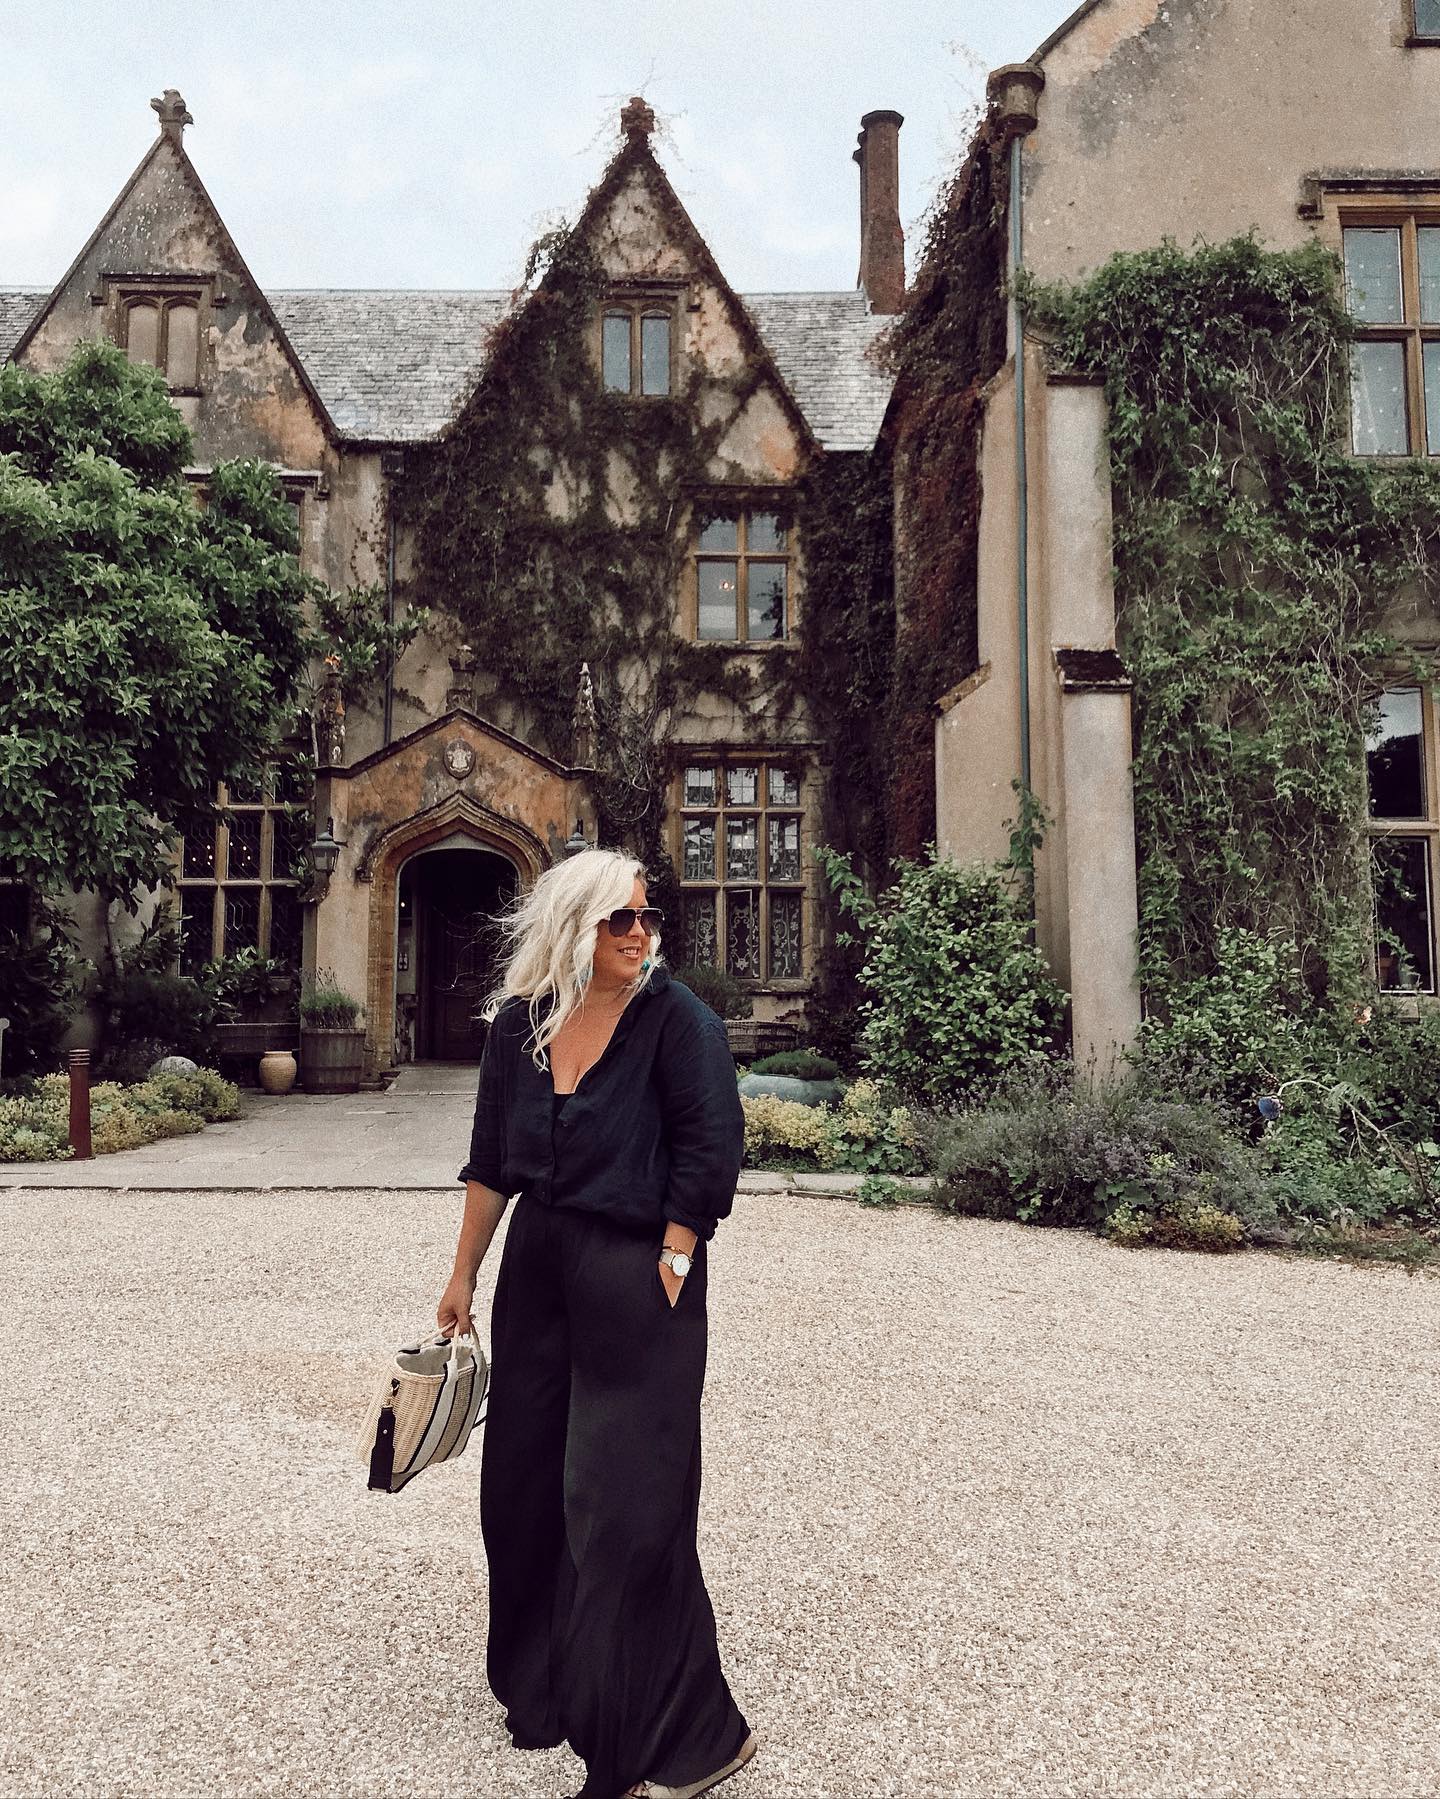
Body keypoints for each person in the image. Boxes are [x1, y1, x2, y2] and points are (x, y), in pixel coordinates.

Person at [438, 847, 757, 1799]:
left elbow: (712, 1151)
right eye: (619, 919)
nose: (639, 934)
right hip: (536, 1270)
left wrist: (674, 1255)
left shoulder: (677, 1022)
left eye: (646, 917)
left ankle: (673, 1740)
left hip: (635, 1274)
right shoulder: (519, 1026)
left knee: (622, 1503)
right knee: (524, 1485)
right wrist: (462, 1274)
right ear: (574, 926)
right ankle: (543, 1689)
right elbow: (492, 1160)